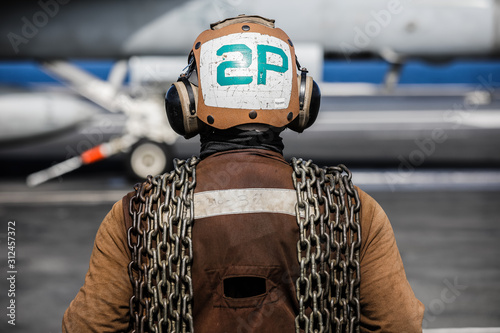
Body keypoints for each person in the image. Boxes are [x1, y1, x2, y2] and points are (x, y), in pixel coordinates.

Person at [62, 15, 424, 333]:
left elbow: (87, 327)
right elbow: (400, 325)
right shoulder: (353, 210)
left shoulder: (136, 215)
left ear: (187, 105)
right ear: (300, 102)